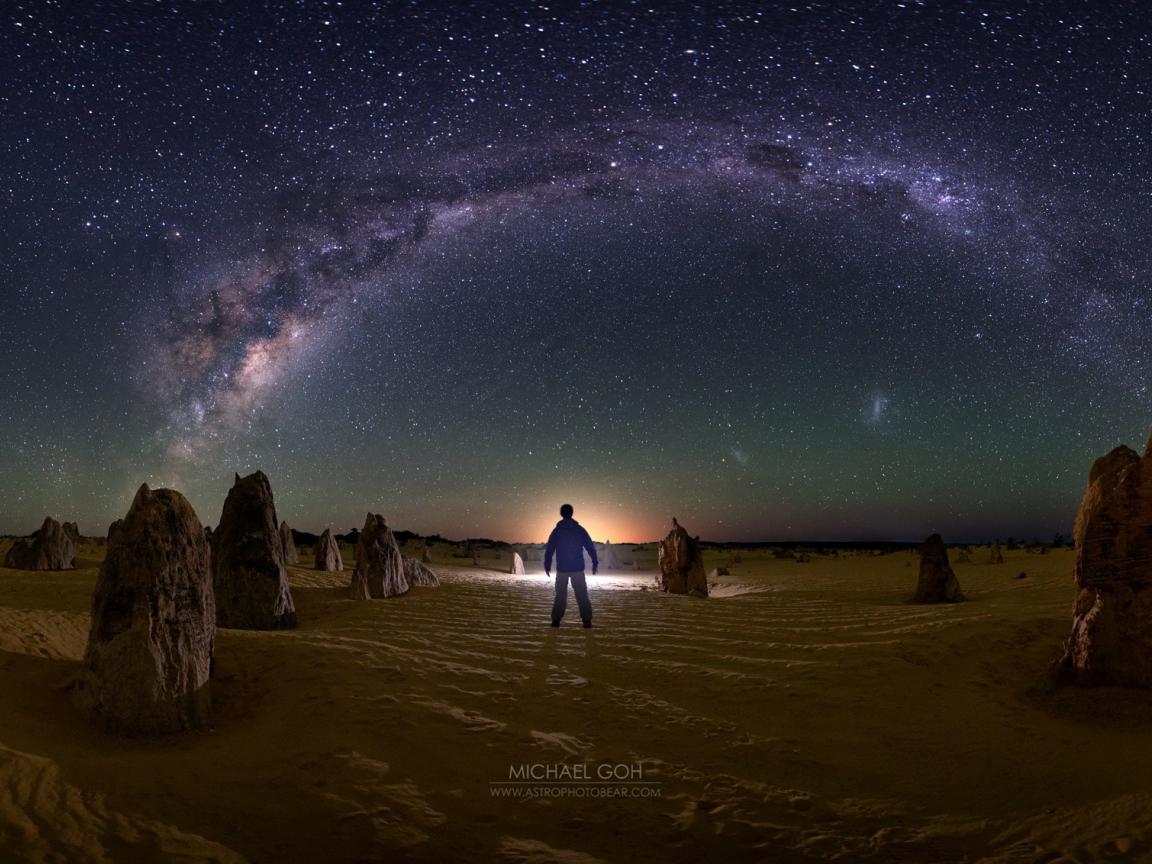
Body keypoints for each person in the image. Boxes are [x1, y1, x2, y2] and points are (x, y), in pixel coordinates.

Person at [544, 503, 597, 628]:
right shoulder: (579, 530)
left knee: (560, 596)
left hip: (562, 569)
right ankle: (587, 621)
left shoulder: (557, 531)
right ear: (572, 513)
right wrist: (595, 561)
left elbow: (550, 549)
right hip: (577, 569)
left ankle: (556, 621)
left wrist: (547, 564)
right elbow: (590, 546)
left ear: (561, 514)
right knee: (582, 595)